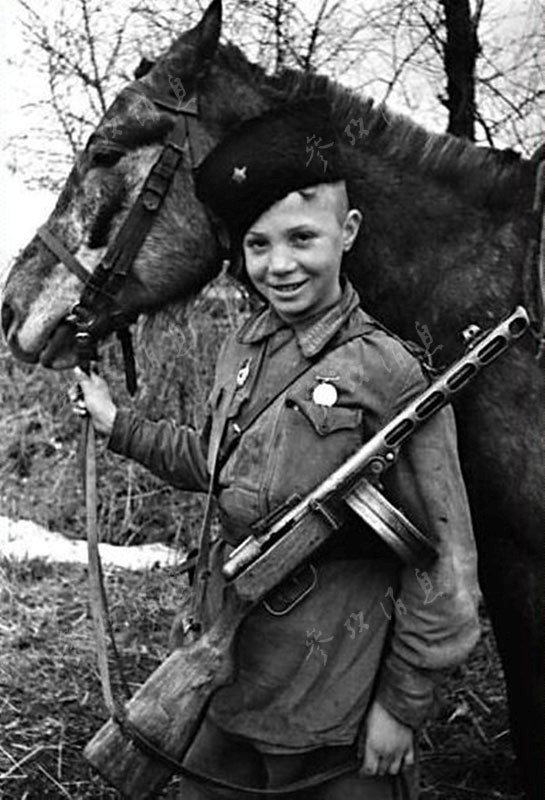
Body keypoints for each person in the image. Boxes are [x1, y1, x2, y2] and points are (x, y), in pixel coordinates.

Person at [74, 100, 480, 800]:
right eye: (258, 245)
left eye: (301, 238)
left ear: (346, 232)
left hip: (329, 706)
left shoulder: (386, 374)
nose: (279, 265)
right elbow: (217, 462)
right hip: (227, 684)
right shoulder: (245, 345)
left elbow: (445, 568)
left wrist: (399, 707)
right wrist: (120, 426)